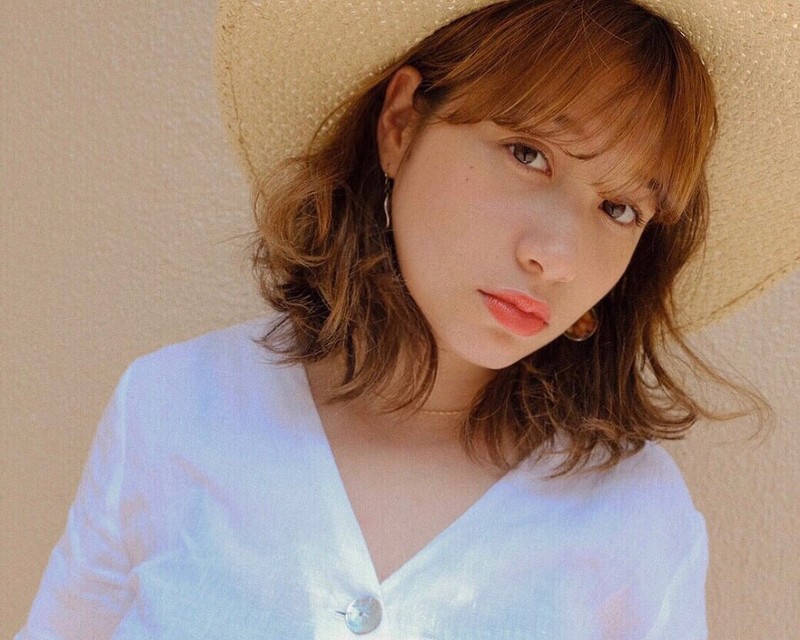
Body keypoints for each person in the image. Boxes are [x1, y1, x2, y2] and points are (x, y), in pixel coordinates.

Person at [15, 0, 798, 638]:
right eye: (528, 154)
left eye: (620, 208)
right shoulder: (171, 410)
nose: (557, 257)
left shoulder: (633, 517)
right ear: (399, 125)